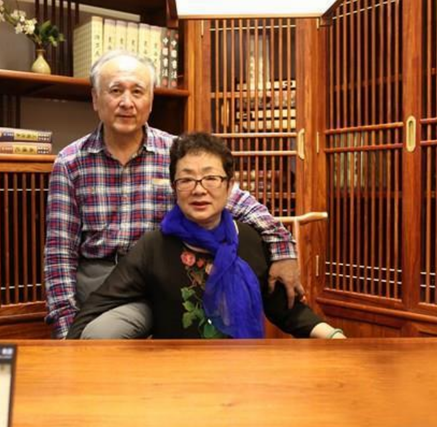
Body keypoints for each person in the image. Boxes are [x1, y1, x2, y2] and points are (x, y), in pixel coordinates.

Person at [45, 50, 305, 339]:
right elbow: (59, 253)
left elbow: (243, 204)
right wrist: (65, 328)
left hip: (161, 278)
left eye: (137, 92)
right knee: (95, 337)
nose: (127, 102)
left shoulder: (176, 153)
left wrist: (284, 252)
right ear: (95, 98)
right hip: (99, 280)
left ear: (150, 100)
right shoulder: (70, 162)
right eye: (115, 91)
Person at [67, 133, 345, 339]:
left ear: (229, 185)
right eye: (187, 179)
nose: (199, 190)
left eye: (211, 178)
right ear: (174, 188)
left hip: (244, 371)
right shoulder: (154, 245)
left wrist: (333, 336)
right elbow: (100, 303)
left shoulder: (249, 239)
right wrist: (67, 355)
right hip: (177, 375)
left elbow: (286, 310)